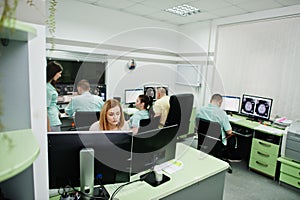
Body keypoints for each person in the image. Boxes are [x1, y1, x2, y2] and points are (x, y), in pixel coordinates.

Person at [196, 93, 241, 162]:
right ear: (220, 102)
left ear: (211, 100)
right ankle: (229, 156)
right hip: (217, 143)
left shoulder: (200, 110)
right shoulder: (222, 113)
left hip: (203, 140)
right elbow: (229, 132)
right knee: (233, 137)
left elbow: (196, 126)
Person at [47, 61, 63, 132]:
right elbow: (45, 109)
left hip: (54, 120)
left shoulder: (50, 86)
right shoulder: (46, 88)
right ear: (53, 72)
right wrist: (48, 126)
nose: (60, 75)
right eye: (59, 73)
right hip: (51, 122)